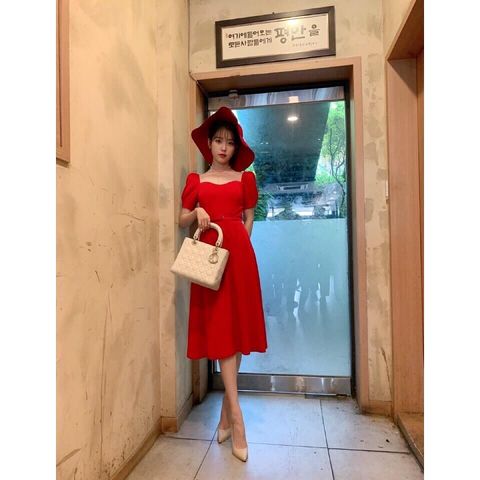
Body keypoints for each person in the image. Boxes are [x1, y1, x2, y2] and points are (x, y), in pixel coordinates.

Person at [178, 106, 268, 462]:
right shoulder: (196, 180)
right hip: (209, 259)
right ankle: (237, 418)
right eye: (218, 141)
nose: (223, 148)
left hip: (239, 258)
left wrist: (240, 249)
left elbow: (249, 219)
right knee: (222, 331)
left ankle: (227, 416)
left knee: (236, 331)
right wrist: (197, 212)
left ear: (235, 147)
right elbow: (181, 219)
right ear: (209, 143)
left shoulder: (245, 179)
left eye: (230, 143)